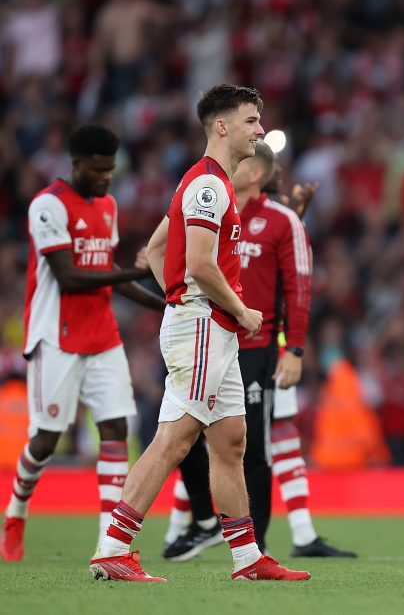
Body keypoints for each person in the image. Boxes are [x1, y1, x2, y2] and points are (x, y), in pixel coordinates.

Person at [89, 84, 309, 582]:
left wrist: (172, 286)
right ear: (222, 126)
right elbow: (201, 265)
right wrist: (240, 309)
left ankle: (247, 557)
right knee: (175, 438)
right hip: (204, 323)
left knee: (231, 441)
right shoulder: (209, 186)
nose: (259, 130)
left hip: (210, 326)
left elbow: (159, 245)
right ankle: (113, 547)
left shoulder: (207, 181)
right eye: (251, 120)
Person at [164, 141, 354, 560]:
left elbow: (299, 288)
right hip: (207, 337)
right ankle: (202, 521)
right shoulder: (214, 208)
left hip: (256, 347)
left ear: (254, 173)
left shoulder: (282, 220)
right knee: (184, 435)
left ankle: (258, 546)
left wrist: (295, 350)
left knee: (251, 448)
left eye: (243, 161)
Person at [0, 125, 165, 562]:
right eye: (99, 170)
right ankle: (15, 512)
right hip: (55, 336)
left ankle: (109, 544)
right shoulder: (47, 206)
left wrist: (164, 305)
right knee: (45, 441)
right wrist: (137, 271)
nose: (107, 178)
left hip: (102, 335)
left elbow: (106, 272)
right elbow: (70, 277)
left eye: (111, 170)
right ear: (76, 164)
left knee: (115, 429)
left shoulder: (107, 205)